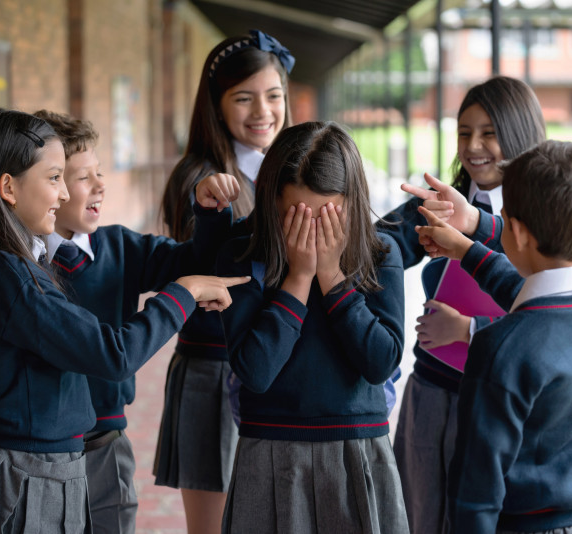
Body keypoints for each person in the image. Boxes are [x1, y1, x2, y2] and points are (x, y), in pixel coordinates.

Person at [0, 108, 246, 534]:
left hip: (66, 456)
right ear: (8, 186)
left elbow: (193, 256)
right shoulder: (6, 270)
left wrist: (211, 218)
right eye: (58, 178)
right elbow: (113, 354)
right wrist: (186, 293)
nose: (68, 192)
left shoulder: (13, 258)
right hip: (27, 468)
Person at [415, 140, 572, 534]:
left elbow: (475, 492)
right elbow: (532, 293)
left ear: (514, 229)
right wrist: (467, 250)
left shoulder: (503, 348)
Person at [33, 109, 231, 534]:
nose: (101, 184)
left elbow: (193, 260)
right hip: (40, 451)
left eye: (99, 172)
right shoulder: (13, 263)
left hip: (105, 442)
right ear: (46, 184)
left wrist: (209, 213)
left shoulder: (121, 247)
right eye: (82, 176)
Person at [216, 121, 408, 533]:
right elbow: (255, 371)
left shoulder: (379, 252)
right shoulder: (240, 255)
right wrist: (299, 279)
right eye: (296, 217)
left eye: (326, 216)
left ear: (351, 204)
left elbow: (380, 362)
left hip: (357, 446)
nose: (312, 232)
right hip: (269, 446)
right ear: (271, 203)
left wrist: (333, 278)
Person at [375, 76, 545, 534]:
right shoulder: (444, 201)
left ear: (520, 132)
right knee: (418, 516)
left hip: (496, 400)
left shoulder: (547, 213)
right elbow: (380, 246)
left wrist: (469, 329)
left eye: (489, 132)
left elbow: (556, 317)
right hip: (429, 391)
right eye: (464, 132)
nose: (474, 146)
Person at [154, 29, 294, 534]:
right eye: (244, 98)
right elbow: (206, 271)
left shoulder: (293, 171)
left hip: (277, 367)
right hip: (215, 369)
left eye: (274, 95)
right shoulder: (200, 180)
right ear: (216, 105)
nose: (263, 111)